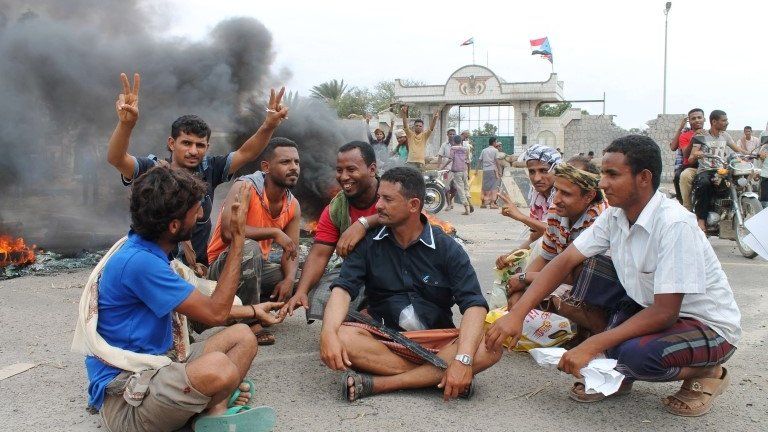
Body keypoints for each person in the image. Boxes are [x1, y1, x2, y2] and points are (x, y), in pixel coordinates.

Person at [487, 135, 741, 417]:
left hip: (704, 325)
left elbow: (665, 313)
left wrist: (594, 343)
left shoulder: (674, 224)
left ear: (643, 178)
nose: (602, 183)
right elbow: (563, 261)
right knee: (589, 269)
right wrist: (517, 314)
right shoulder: (614, 216)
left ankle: (710, 372)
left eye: (612, 174)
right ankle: (616, 370)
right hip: (647, 308)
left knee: (633, 355)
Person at [83, 167, 283, 432]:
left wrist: (254, 311)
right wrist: (237, 240)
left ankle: (213, 413)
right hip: (127, 401)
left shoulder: (147, 249)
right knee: (219, 369)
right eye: (196, 211)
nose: (201, 215)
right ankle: (211, 407)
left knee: (243, 338)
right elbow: (215, 313)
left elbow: (199, 303)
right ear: (174, 226)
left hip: (162, 362)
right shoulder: (140, 263)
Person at [319, 167, 501, 401]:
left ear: (413, 205)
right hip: (384, 339)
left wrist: (464, 358)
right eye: (379, 198)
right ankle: (439, 377)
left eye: (387, 199)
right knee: (342, 336)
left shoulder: (447, 249)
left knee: (490, 346)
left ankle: (381, 384)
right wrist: (328, 333)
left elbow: (474, 305)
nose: (378, 206)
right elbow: (343, 290)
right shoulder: (368, 244)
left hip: (437, 341)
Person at [106, 72, 288, 268]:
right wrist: (126, 124)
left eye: (200, 145)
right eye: (186, 143)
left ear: (207, 147)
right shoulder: (153, 171)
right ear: (171, 143)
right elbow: (116, 158)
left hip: (198, 268)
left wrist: (268, 126)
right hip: (155, 265)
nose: (193, 151)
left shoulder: (211, 169)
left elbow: (247, 153)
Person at [206, 138, 302, 344]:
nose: (293, 167)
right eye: (286, 162)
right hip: (220, 270)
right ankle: (250, 321)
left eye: (296, 162)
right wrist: (274, 232)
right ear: (266, 167)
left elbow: (291, 251)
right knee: (249, 247)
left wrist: (288, 279)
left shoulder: (292, 204)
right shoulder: (245, 188)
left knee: (304, 277)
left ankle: (257, 309)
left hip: (256, 269)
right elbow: (228, 233)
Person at [281, 142, 383, 322]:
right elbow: (319, 254)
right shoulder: (336, 208)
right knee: (321, 298)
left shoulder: (390, 192)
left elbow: (404, 213)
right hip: (356, 271)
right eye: (339, 170)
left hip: (396, 269)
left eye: (351, 169)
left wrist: (363, 223)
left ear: (372, 169)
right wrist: (301, 291)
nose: (344, 177)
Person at [497, 156, 607, 313]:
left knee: (558, 301)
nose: (555, 199)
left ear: (589, 196)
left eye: (566, 194)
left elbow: (577, 275)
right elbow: (545, 257)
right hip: (560, 275)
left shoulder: (598, 219)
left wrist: (524, 278)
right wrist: (519, 290)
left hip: (591, 288)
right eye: (556, 190)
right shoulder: (557, 212)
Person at [689, 110, 746, 230]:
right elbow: (692, 157)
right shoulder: (701, 136)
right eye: (724, 120)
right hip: (706, 170)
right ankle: (701, 219)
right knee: (704, 184)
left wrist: (753, 154)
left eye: (726, 120)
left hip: (721, 170)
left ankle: (727, 212)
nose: (727, 122)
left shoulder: (725, 135)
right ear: (714, 122)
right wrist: (699, 153)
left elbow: (738, 149)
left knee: (735, 183)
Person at [503, 144, 562, 251]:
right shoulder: (538, 197)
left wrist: (519, 216)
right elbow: (535, 237)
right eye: (532, 172)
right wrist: (511, 256)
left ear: (557, 171)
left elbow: (555, 232)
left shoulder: (564, 195)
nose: (537, 178)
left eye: (544, 171)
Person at [672, 109, 705, 210]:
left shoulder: (710, 133)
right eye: (693, 118)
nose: (697, 120)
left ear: (704, 119)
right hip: (690, 164)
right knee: (679, 176)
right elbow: (674, 148)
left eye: (699, 117)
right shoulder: (684, 134)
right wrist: (692, 136)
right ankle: (685, 205)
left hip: (708, 164)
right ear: (689, 121)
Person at [400, 104, 441, 170]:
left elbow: (431, 128)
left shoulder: (424, 135)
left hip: (420, 163)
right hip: (410, 162)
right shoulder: (410, 135)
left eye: (420, 126)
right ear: (414, 127)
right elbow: (405, 126)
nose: (418, 127)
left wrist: (435, 118)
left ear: (422, 127)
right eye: (417, 126)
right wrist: (404, 114)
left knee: (420, 179)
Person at [442, 135, 473, 215]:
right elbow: (468, 161)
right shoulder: (466, 149)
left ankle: (466, 209)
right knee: (466, 188)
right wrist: (468, 172)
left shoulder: (453, 149)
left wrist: (443, 166)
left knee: (460, 190)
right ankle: (470, 202)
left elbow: (451, 159)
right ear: (461, 141)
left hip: (457, 172)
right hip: (464, 170)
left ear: (454, 141)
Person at [437, 129, 458, 210]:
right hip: (446, 168)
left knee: (456, 188)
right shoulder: (444, 145)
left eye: (453, 134)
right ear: (447, 135)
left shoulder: (458, 145)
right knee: (446, 187)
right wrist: (439, 167)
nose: (452, 135)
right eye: (450, 134)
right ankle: (449, 204)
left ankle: (451, 199)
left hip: (456, 168)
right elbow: (440, 156)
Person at [478, 137, 501, 208]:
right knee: (493, 187)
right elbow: (497, 161)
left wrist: (476, 170)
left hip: (485, 171)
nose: (496, 143)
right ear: (494, 142)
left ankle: (483, 203)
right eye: (496, 142)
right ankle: (492, 203)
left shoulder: (484, 150)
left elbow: (479, 160)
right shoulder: (495, 150)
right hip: (492, 171)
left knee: (485, 187)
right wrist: (499, 170)